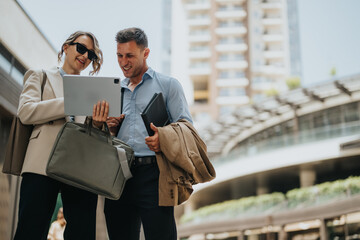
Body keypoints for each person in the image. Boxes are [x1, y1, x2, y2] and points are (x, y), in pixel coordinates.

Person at [14, 31, 108, 240]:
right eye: (81, 48)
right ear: (66, 47)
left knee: (83, 232)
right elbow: (26, 112)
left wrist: (99, 123)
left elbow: (92, 137)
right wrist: (68, 102)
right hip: (41, 163)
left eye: (91, 55)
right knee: (30, 228)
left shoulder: (92, 91)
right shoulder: (40, 75)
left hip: (79, 167)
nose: (85, 56)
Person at [104, 27, 193, 240]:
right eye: (119, 55)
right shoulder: (112, 90)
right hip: (119, 176)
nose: (123, 62)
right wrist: (110, 130)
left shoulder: (169, 85)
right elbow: (107, 139)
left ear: (146, 53)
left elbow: (187, 127)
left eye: (130, 56)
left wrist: (163, 139)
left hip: (155, 174)